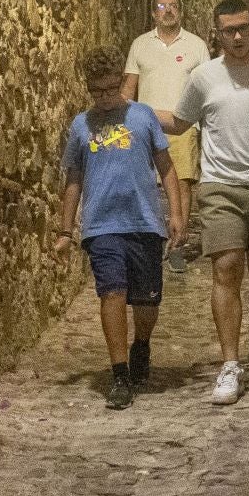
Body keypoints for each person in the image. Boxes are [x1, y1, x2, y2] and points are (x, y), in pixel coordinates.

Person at [163, 0, 249, 406]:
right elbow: (180, 122)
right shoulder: (204, 77)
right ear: (218, 34)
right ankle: (229, 363)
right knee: (225, 268)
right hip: (220, 187)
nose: (238, 36)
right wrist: (131, 109)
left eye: (243, 28)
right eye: (229, 31)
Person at [54, 48, 184, 410]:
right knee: (111, 292)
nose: (105, 98)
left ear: (122, 83)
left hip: (144, 222)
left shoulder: (142, 116)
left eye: (111, 89)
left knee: (146, 301)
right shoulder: (81, 126)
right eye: (97, 92)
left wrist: (175, 213)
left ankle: (141, 344)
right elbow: (74, 179)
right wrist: (65, 230)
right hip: (101, 225)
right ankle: (120, 375)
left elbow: (166, 166)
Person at [123, 0, 211, 272]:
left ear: (180, 12)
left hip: (183, 126)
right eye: (162, 6)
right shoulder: (140, 45)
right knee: (147, 183)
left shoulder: (196, 46)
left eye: (173, 5)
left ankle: (177, 246)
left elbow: (206, 88)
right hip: (145, 127)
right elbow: (129, 87)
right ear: (154, 13)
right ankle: (153, 239)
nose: (168, 10)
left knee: (181, 183)